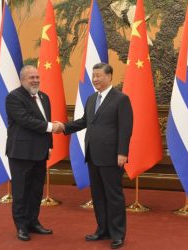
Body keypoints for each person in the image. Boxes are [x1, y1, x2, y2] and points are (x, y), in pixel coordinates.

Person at [58, 63, 133, 249]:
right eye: (93, 76)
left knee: (114, 196)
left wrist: (122, 152)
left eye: (99, 75)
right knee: (98, 195)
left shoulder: (121, 99)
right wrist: (64, 127)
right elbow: (85, 121)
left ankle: (117, 234)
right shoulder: (91, 98)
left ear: (109, 77)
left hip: (112, 156)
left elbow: (126, 129)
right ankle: (102, 229)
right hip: (92, 155)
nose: (95, 79)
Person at [5, 65, 60, 241]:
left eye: (37, 77)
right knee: (21, 191)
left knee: (36, 190)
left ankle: (33, 222)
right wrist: (52, 127)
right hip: (21, 153)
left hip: (40, 152)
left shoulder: (44, 97)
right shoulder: (14, 97)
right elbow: (26, 120)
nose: (35, 80)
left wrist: (49, 145)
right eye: (31, 78)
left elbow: (46, 121)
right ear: (22, 79)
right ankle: (21, 226)